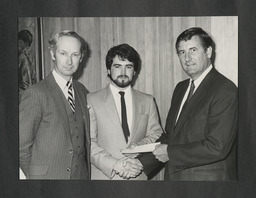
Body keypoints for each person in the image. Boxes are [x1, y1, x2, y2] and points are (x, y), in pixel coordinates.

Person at [138, 27, 238, 181]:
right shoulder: (181, 88)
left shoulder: (225, 90)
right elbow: (170, 137)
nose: (187, 58)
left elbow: (217, 147)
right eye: (182, 52)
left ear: (209, 52)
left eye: (193, 50)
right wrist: (139, 164)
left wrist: (170, 153)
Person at [19, 30, 91, 180]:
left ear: (81, 58)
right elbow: (21, 148)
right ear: (52, 54)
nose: (69, 61)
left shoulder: (82, 91)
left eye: (75, 55)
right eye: (63, 53)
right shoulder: (36, 93)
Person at [87, 43, 163, 180]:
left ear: (134, 72)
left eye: (128, 67)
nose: (123, 72)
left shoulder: (148, 101)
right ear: (108, 70)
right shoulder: (92, 100)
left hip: (138, 177)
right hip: (105, 178)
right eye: (117, 66)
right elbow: (88, 142)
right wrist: (115, 165)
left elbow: (157, 135)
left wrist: (138, 149)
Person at [18, 30, 37, 101]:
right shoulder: (24, 58)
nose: (18, 45)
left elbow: (25, 84)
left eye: (21, 43)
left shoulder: (23, 58)